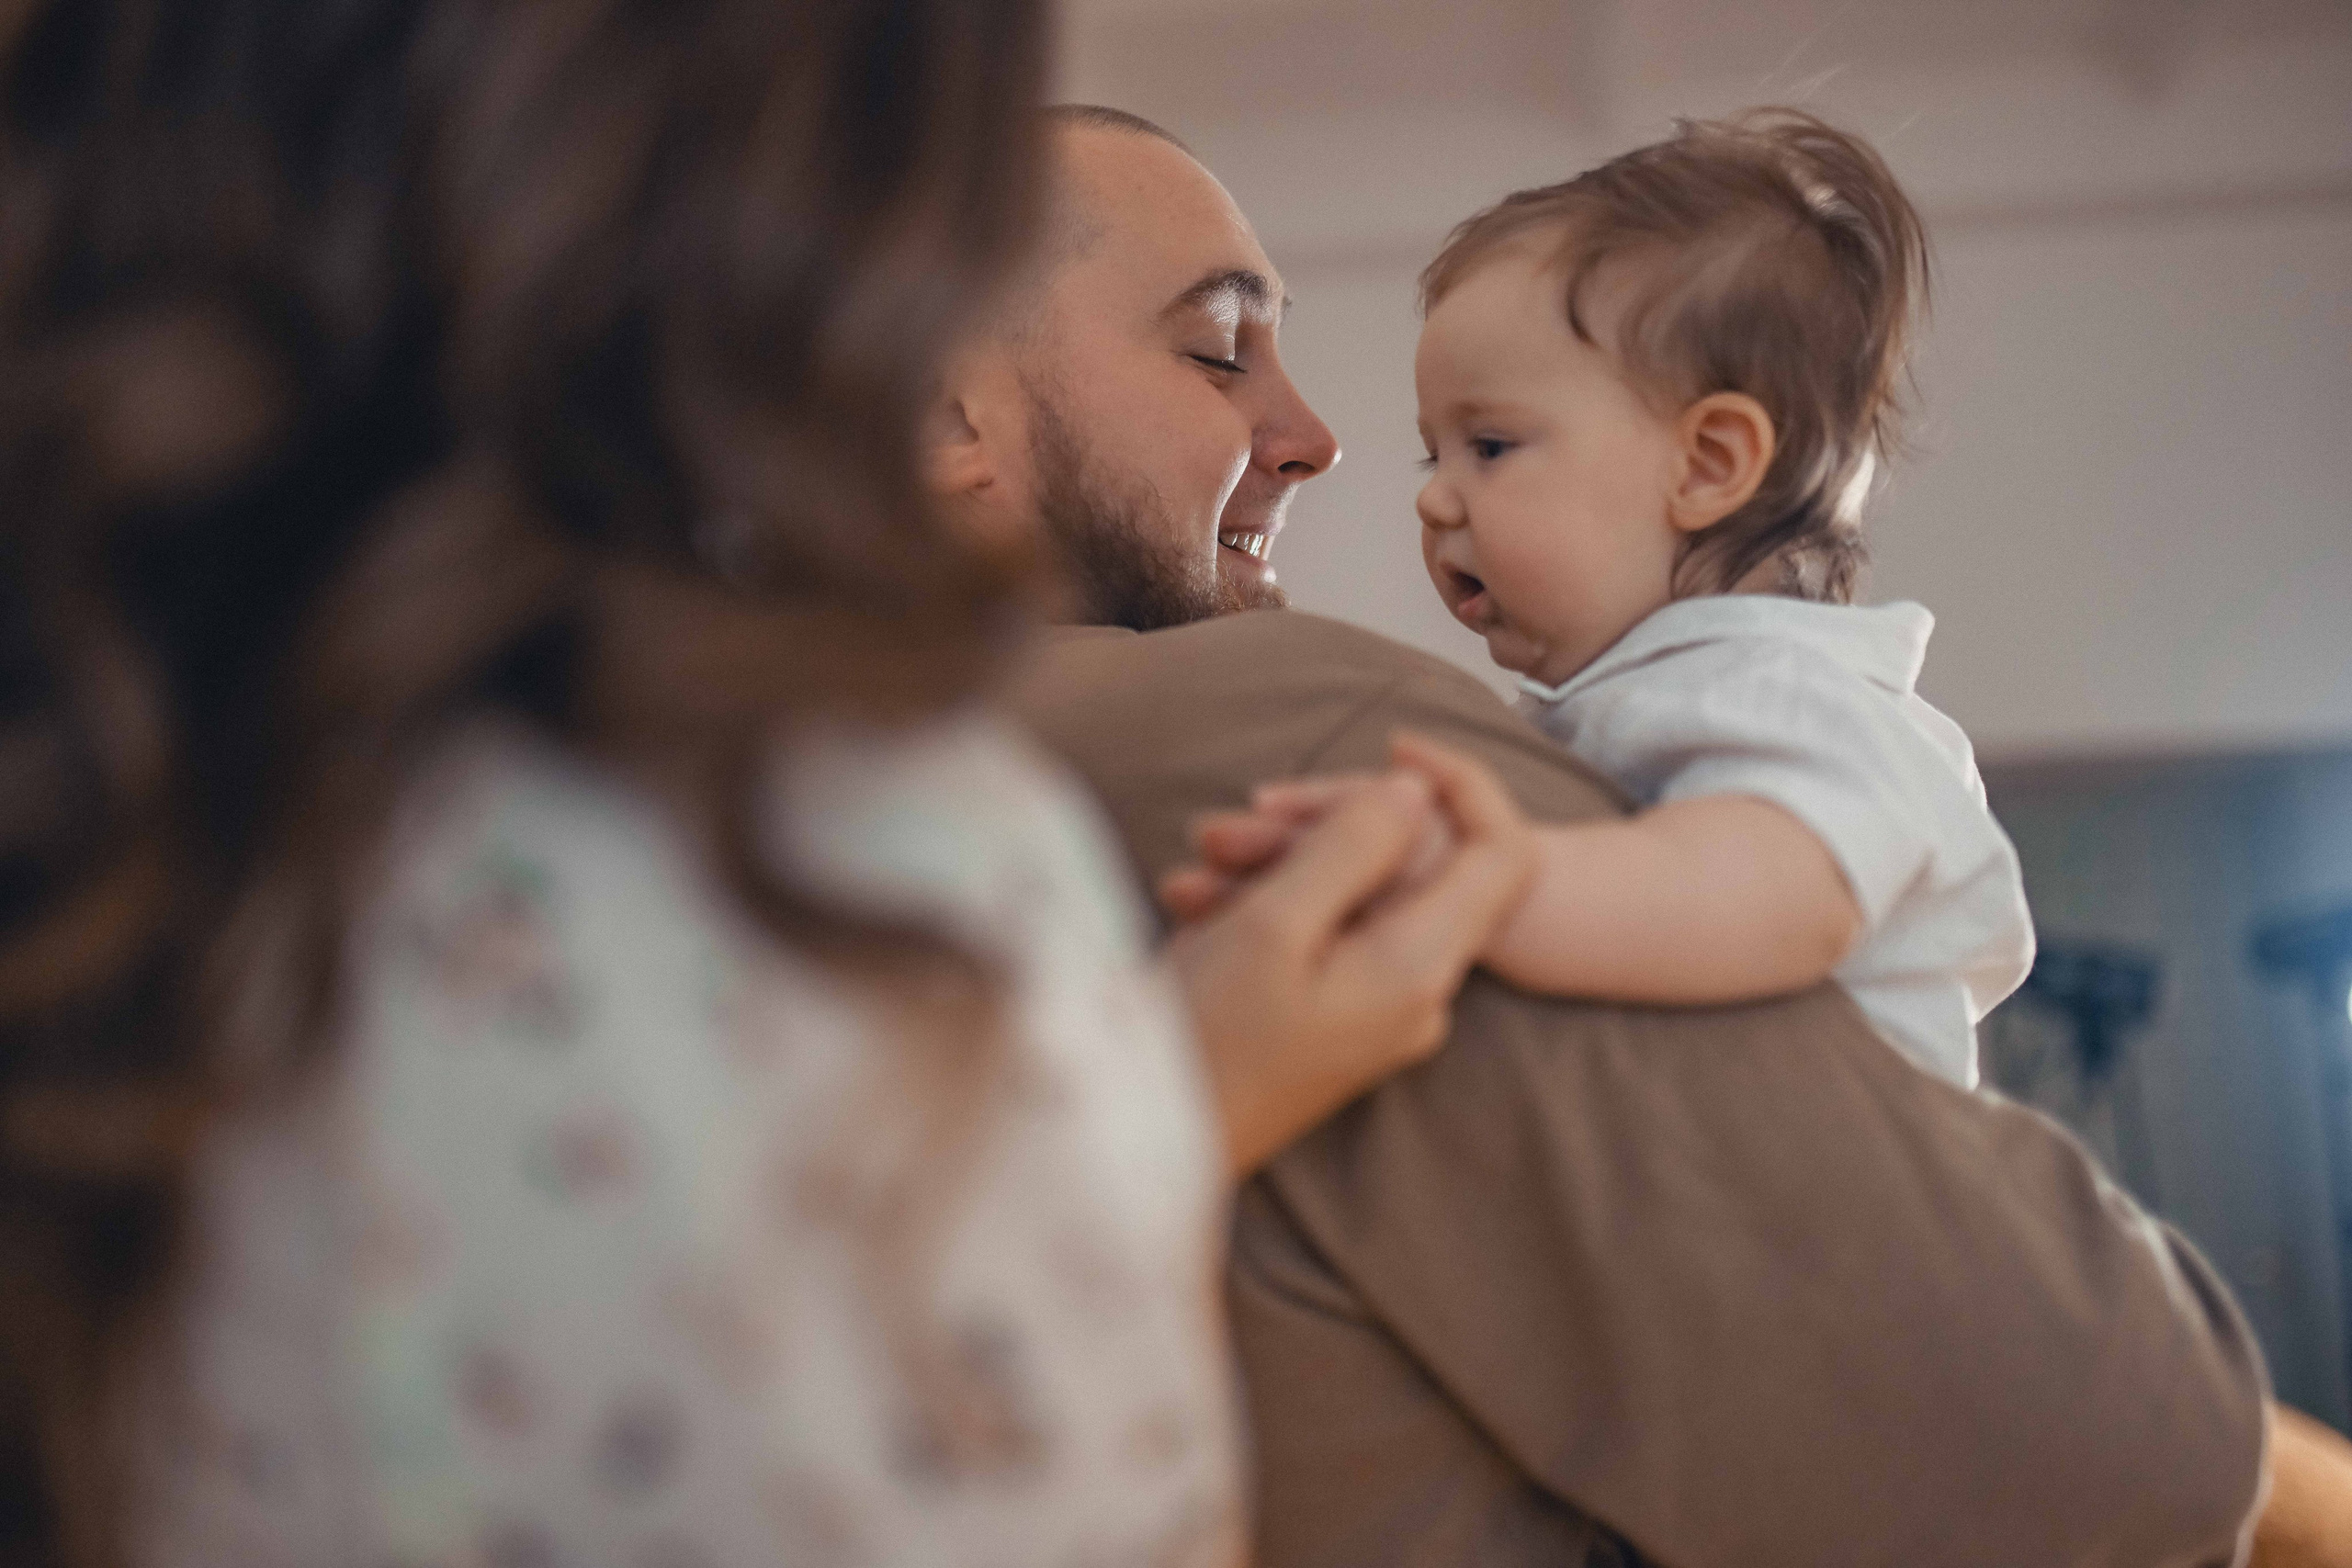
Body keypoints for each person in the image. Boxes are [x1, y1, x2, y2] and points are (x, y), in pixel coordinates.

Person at [0, 6, 1528, 1564]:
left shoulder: (106, 780)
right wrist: (1142, 1122)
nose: (1322, 438)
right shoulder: (886, 846)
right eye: (1215, 347)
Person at [936, 107, 2287, 1564]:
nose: (1321, 441)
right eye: (1218, 348)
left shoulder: (796, 842)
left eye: (1494, 442)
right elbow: (2127, 1443)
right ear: (937, 412)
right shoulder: (1293, 744)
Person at [1197, 109, 2030, 1092]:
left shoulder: (1780, 687)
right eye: (1437, 452)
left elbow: (1781, 895)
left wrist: (1485, 881)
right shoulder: (1659, 688)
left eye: (1492, 447)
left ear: (1708, 464)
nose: (1433, 495)